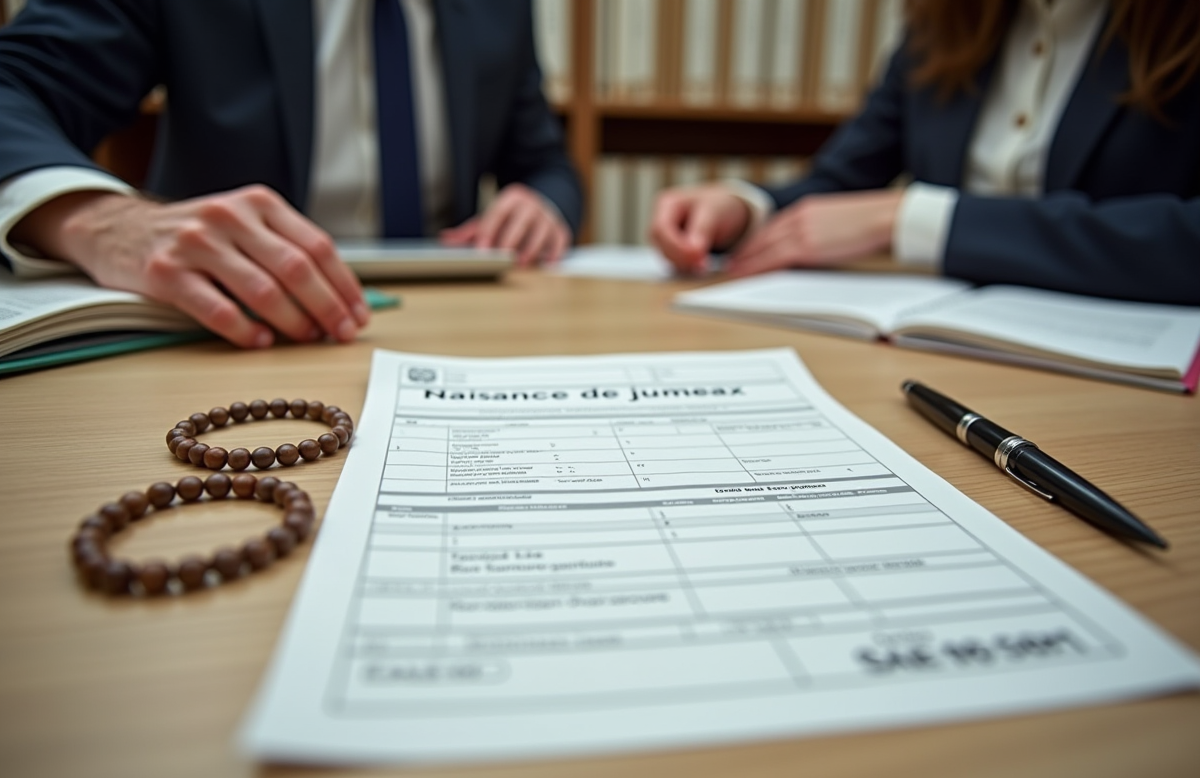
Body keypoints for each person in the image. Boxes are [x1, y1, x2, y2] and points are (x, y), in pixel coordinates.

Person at [0, 0, 583, 348]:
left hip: (453, 326)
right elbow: (14, 89)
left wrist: (542, 201)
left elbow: (546, 164)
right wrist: (105, 222)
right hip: (231, 325)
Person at [650, 0, 1200, 306]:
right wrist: (746, 208)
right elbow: (843, 183)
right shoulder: (942, 25)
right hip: (942, 347)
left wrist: (912, 218)